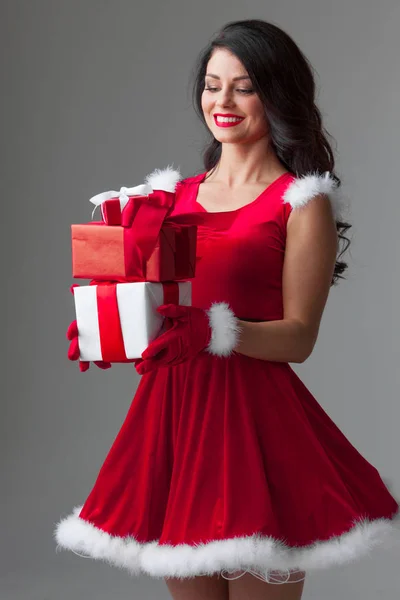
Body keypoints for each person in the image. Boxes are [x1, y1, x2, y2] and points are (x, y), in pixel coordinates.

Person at [55, 19, 399, 600]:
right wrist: (105, 329)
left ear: (277, 92)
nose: (223, 101)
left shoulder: (300, 203)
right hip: (175, 418)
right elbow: (150, 304)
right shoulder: (168, 199)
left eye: (244, 86)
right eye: (213, 85)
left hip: (254, 425)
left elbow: (298, 339)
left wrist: (211, 329)